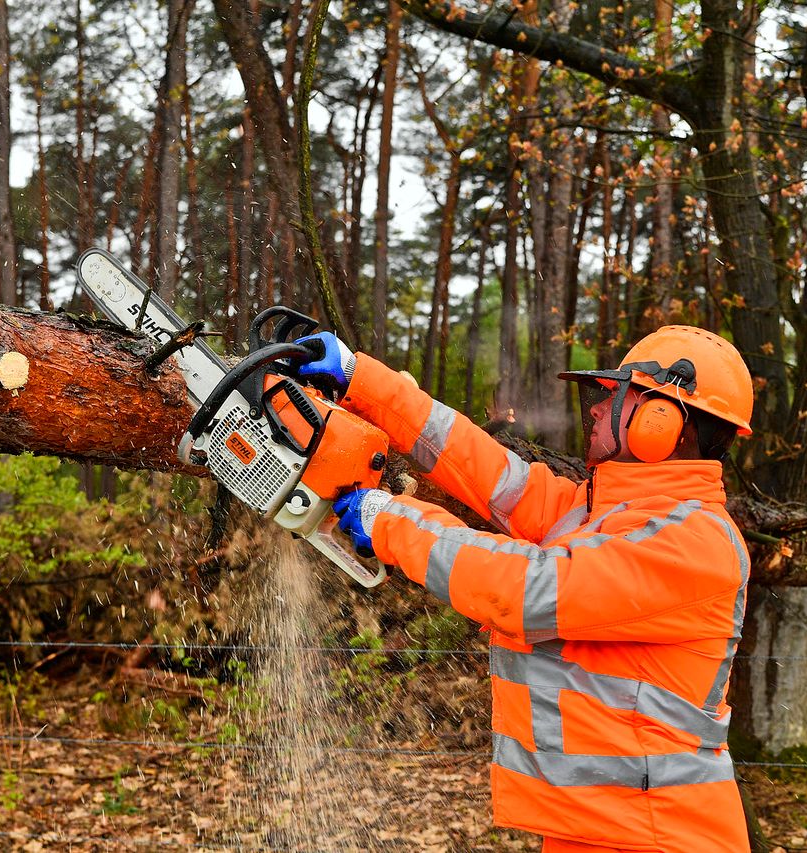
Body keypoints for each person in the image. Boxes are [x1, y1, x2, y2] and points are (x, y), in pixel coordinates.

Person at [294, 325, 753, 853]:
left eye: (615, 396)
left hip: (660, 835)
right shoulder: (603, 513)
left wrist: (392, 520)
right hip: (599, 827)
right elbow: (493, 473)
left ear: (662, 420)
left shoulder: (694, 542)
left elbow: (530, 589)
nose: (597, 409)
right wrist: (363, 380)